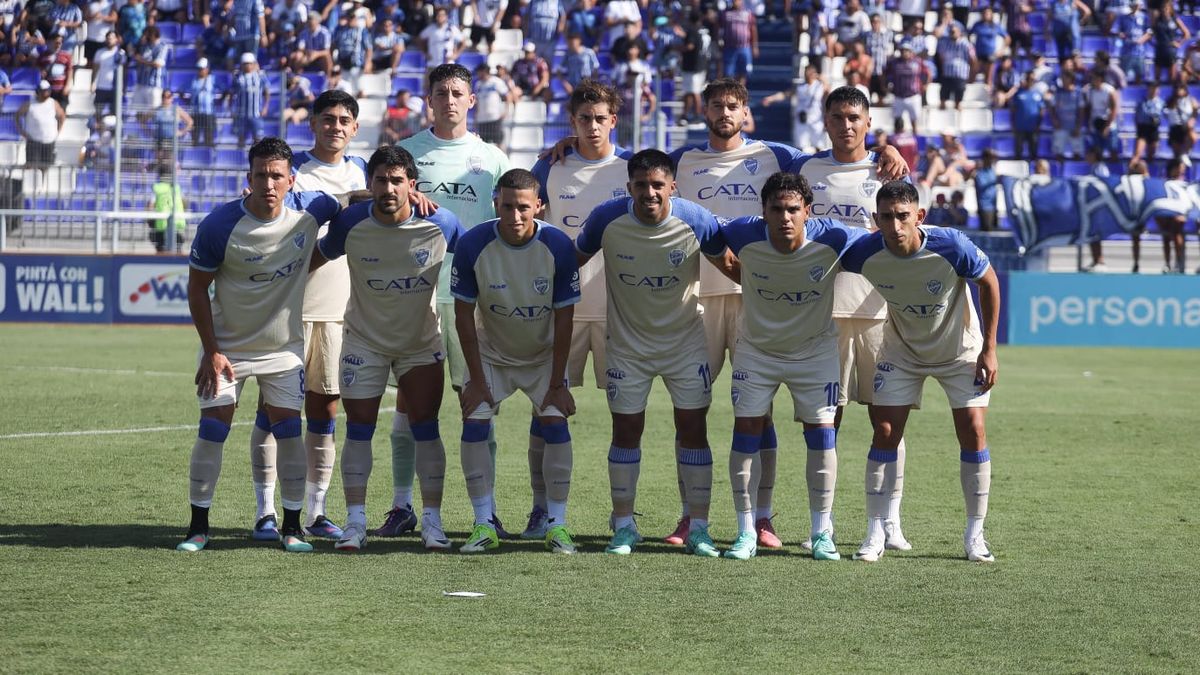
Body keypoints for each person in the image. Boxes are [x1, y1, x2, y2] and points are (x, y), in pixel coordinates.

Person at [176, 137, 344, 554]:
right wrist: (211, 350)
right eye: (260, 175)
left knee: (289, 431)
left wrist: (403, 196)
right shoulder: (219, 226)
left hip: (282, 350)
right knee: (213, 430)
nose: (268, 184)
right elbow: (197, 290)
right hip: (226, 350)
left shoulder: (313, 208)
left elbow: (353, 202)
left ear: (291, 180)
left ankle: (292, 527)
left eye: (276, 176)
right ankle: (198, 528)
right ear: (247, 179)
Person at [575, 149, 734, 558]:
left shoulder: (697, 219)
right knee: (626, 430)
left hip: (685, 345)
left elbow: (732, 266)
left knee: (693, 428)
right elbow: (571, 260)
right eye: (641, 185)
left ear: (672, 187)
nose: (650, 192)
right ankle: (623, 525)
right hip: (628, 347)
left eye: (658, 185)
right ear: (628, 187)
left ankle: (698, 526)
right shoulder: (606, 219)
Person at [310, 146, 463, 552]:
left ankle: (432, 522)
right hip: (364, 342)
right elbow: (314, 257)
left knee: (426, 428)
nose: (389, 188)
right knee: (359, 430)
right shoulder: (351, 223)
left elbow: (479, 259)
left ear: (413, 185)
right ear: (369, 183)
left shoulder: (441, 223)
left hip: (420, 344)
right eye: (381, 180)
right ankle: (355, 523)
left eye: (398, 181)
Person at [842, 180, 1000, 564]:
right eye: (886, 217)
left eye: (903, 216)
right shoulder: (864, 251)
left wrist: (990, 349)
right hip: (902, 352)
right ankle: (875, 532)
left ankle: (975, 535)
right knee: (884, 431)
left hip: (960, 350)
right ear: (875, 219)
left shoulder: (952, 246)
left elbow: (989, 282)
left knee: (973, 430)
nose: (895, 226)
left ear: (920, 216)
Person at [384, 63, 511, 539]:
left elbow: (510, 219)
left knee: (478, 400)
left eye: (458, 92)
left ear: (472, 100)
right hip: (413, 295)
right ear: (429, 100)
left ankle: (486, 511)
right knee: (409, 405)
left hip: (471, 299)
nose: (450, 100)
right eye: (441, 92)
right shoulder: (407, 154)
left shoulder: (491, 159)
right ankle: (402, 506)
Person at [793, 85, 914, 552]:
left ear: (868, 123)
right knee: (825, 423)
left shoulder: (888, 171)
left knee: (888, 423)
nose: (846, 125)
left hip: (880, 314)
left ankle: (890, 521)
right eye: (838, 117)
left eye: (854, 118)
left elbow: (909, 235)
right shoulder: (805, 169)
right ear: (825, 121)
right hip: (822, 316)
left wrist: (890, 150)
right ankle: (821, 525)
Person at [719, 171, 863, 561]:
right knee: (746, 430)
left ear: (808, 211)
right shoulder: (741, 233)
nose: (785, 217)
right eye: (777, 209)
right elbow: (704, 233)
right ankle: (746, 531)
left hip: (814, 353)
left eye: (793, 209)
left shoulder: (834, 237)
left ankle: (821, 533)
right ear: (763, 211)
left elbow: (881, 243)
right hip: (757, 352)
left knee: (822, 435)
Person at [248, 90, 369, 543]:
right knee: (273, 409)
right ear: (313, 123)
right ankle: (264, 510)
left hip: (339, 310)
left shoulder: (363, 170)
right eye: (327, 118)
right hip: (288, 308)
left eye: (343, 120)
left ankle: (317, 511)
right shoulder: (289, 170)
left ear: (354, 128)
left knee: (325, 408)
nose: (335, 126)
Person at [451, 169, 580, 554]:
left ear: (538, 206)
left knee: (555, 424)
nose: (515, 215)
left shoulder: (558, 245)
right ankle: (483, 522)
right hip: (492, 355)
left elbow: (565, 318)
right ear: (496, 204)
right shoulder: (474, 244)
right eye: (507, 206)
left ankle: (556, 524)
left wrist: (557, 383)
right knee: (474, 422)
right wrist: (476, 380)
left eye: (523, 207)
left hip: (543, 357)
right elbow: (463, 315)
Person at [527, 79, 631, 539]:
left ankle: (623, 515)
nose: (592, 126)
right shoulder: (550, 166)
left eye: (600, 118)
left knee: (625, 415)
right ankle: (540, 509)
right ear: (572, 122)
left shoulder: (631, 169)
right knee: (545, 409)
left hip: (617, 314)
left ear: (614, 121)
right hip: (560, 311)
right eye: (584, 119)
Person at [762, 63, 828, 153]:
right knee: (801, 146)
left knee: (819, 146)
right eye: (806, 72)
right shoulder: (800, 86)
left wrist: (821, 78)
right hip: (802, 119)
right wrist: (771, 99)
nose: (807, 74)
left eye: (810, 72)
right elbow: (785, 94)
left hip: (816, 119)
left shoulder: (819, 86)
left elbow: (829, 91)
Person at [17, 81, 64, 184]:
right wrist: (21, 130)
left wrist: (59, 130)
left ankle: (43, 186)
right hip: (33, 141)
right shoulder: (30, 104)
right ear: (38, 92)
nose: (45, 93)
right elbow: (17, 115)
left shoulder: (53, 103)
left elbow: (62, 116)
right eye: (43, 91)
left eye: (47, 91)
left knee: (46, 166)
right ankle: (30, 186)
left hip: (49, 141)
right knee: (31, 166)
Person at [228, 52, 270, 150]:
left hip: (256, 113)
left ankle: (257, 156)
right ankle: (240, 157)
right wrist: (231, 109)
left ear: (254, 64)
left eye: (249, 63)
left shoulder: (260, 76)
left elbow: (267, 92)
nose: (247, 66)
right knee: (240, 138)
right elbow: (231, 94)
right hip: (241, 114)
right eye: (245, 64)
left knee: (257, 139)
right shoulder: (237, 77)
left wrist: (265, 107)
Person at [886, 42, 928, 135]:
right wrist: (885, 86)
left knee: (914, 121)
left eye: (907, 50)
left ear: (911, 52)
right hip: (898, 96)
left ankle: (915, 138)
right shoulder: (894, 62)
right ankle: (896, 139)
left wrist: (926, 85)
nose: (904, 53)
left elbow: (927, 73)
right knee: (897, 121)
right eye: (902, 51)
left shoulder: (918, 62)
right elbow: (885, 73)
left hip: (913, 96)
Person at [1158, 157, 1189, 275]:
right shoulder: (1165, 184)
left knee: (1176, 227)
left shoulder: (1185, 185)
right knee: (1166, 230)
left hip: (1181, 215)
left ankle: (1179, 262)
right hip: (1168, 214)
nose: (1182, 171)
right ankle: (1167, 263)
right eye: (1180, 168)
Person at [147, 166, 186, 253]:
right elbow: (184, 202)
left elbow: (150, 205)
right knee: (178, 248)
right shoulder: (176, 187)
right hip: (177, 222)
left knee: (160, 249)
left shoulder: (157, 188)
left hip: (162, 223)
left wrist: (149, 219)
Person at [1085, 69, 1121, 163]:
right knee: (1097, 151)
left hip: (1108, 123)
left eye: (1095, 78)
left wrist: (1107, 126)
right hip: (1095, 123)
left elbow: (1114, 109)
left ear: (1101, 79)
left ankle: (1115, 168)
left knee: (1113, 149)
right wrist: (1089, 123)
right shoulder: (1088, 91)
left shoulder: (1109, 91)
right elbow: (1088, 108)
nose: (1093, 80)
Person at [473, 64, 513, 149]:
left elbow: (508, 96)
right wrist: (476, 116)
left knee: (498, 141)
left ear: (484, 72)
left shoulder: (496, 82)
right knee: (483, 144)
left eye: (479, 72)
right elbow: (477, 102)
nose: (478, 75)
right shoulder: (478, 84)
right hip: (482, 119)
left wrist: (506, 111)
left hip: (495, 117)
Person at [132, 25, 168, 112]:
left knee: (153, 111)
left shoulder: (162, 46)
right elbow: (135, 57)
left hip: (154, 85)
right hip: (141, 83)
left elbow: (158, 64)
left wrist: (142, 61)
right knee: (138, 111)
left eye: (147, 35)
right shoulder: (144, 46)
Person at [1051, 71, 1086, 160]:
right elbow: (1052, 108)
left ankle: (1076, 168)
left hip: (1074, 126)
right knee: (1058, 153)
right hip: (1060, 126)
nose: (1062, 80)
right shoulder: (1057, 92)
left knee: (1077, 153)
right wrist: (1055, 120)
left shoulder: (1078, 92)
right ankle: (1059, 168)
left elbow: (1081, 110)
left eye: (1064, 78)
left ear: (1071, 79)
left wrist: (1078, 127)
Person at [720, 0, 756, 85]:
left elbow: (753, 29)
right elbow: (719, 27)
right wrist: (719, 40)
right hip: (729, 47)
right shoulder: (726, 13)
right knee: (728, 73)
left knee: (743, 72)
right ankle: (731, 91)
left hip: (744, 47)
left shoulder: (748, 13)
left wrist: (754, 46)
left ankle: (741, 91)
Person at [1011, 72, 1046, 161]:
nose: (1031, 81)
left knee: (1033, 153)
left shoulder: (1038, 94)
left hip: (1033, 128)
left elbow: (1042, 110)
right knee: (1018, 153)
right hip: (1020, 127)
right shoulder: (1018, 93)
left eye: (1033, 80)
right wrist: (1013, 124)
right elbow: (1013, 110)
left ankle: (1033, 168)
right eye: (1029, 79)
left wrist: (1039, 124)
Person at [1165, 82, 1198, 167]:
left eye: (1181, 89)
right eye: (1177, 89)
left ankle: (1184, 154)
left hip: (1186, 127)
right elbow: (1167, 114)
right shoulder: (1171, 101)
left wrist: (1192, 119)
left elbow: (1195, 112)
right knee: (1177, 155)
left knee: (1193, 136)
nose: (1179, 91)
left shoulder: (1191, 100)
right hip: (1175, 128)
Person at [1131, 80, 1163, 165]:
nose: (1154, 91)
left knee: (1152, 152)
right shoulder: (1141, 102)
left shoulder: (1161, 103)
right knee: (1138, 152)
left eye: (1156, 88)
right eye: (1152, 88)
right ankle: (1131, 168)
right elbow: (1137, 116)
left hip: (1154, 128)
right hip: (1143, 128)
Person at [37, 30, 71, 108]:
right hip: (48, 91)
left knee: (61, 110)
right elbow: (38, 69)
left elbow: (69, 71)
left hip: (61, 90)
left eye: (60, 43)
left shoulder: (66, 56)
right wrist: (41, 72)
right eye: (56, 43)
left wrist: (67, 86)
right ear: (49, 42)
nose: (58, 45)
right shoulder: (42, 56)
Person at [974, 149, 999, 232]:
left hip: (994, 206)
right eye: (990, 157)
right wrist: (996, 181)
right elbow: (982, 185)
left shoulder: (992, 171)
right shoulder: (979, 173)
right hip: (985, 207)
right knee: (987, 232)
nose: (992, 160)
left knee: (994, 232)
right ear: (984, 159)